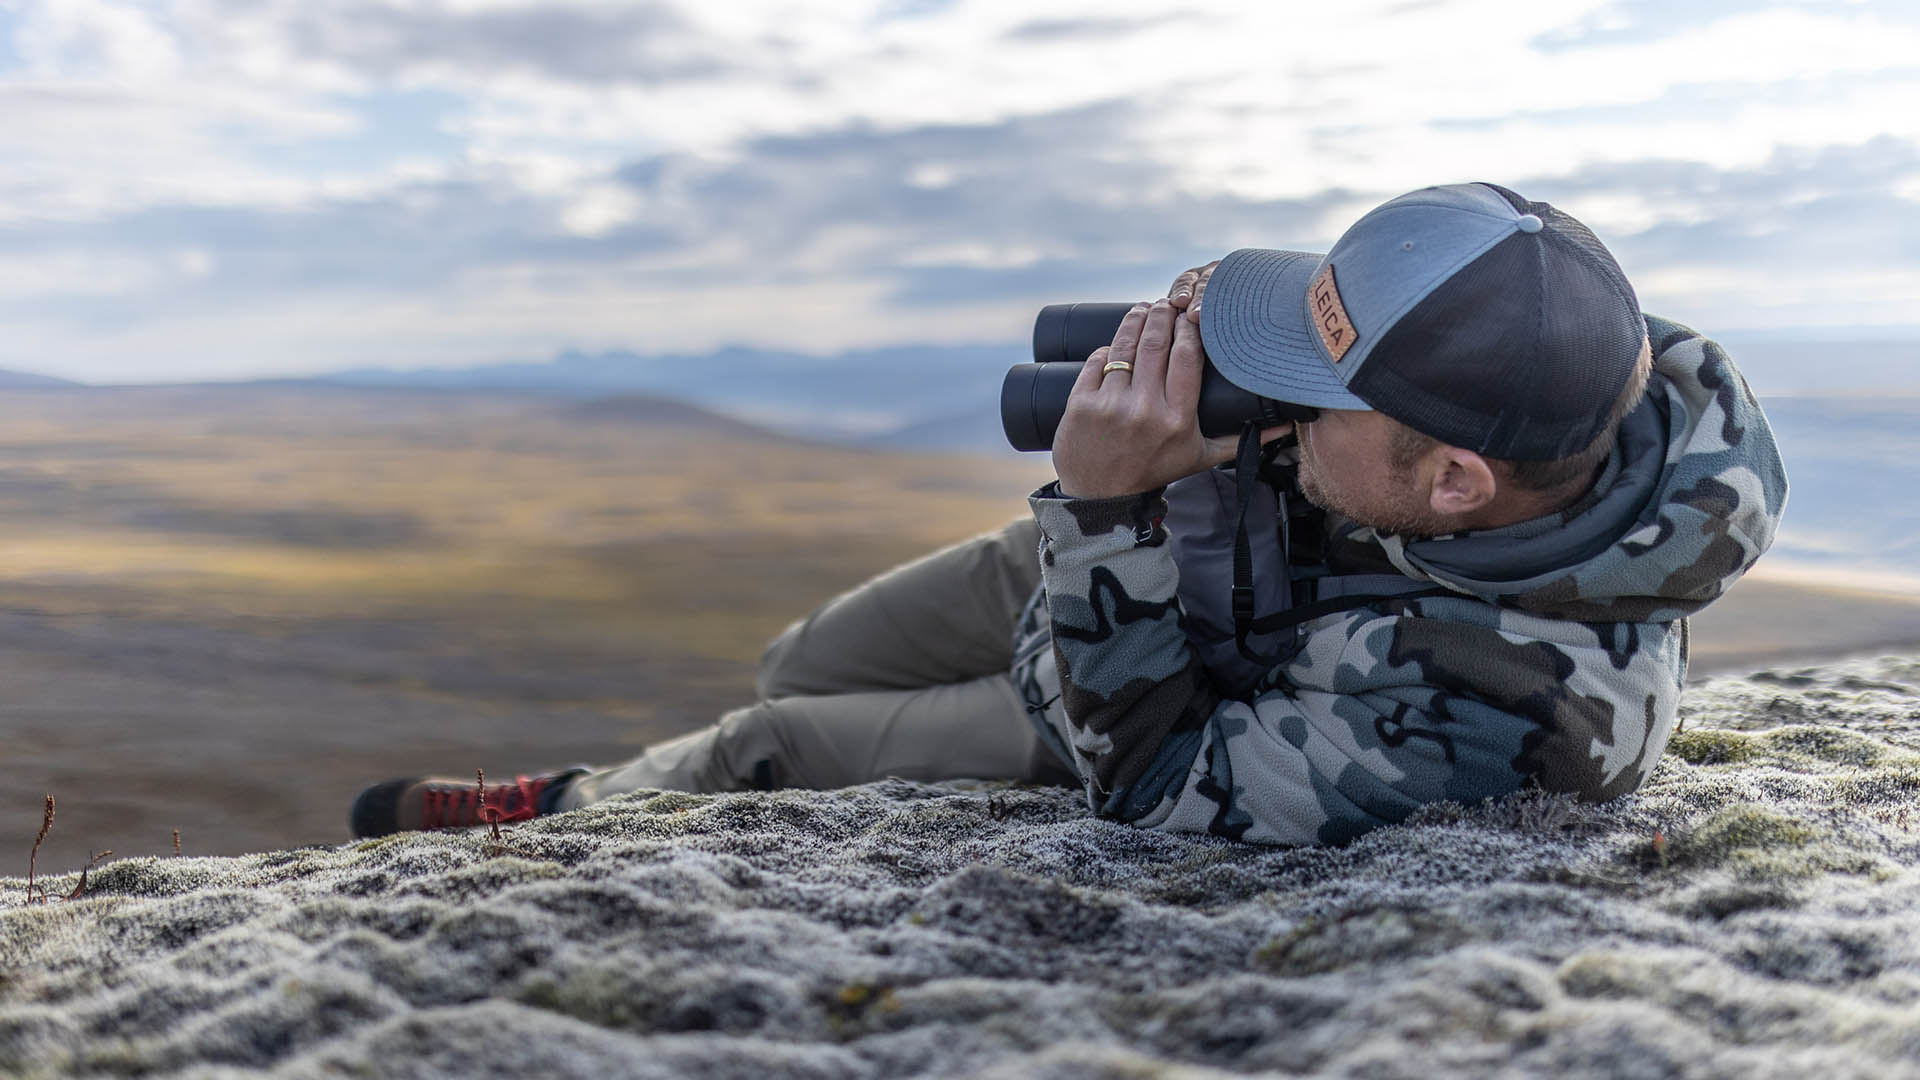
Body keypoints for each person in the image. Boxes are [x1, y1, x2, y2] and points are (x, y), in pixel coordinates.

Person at [351, 182, 1787, 845]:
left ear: (1454, 483)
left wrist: (1110, 518)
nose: (1281, 405)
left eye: (1311, 387)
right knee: (800, 658)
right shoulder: (1550, 372)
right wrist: (1214, 346)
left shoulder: (1502, 711)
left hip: (1133, 674)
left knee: (774, 740)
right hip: (1178, 549)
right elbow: (1384, 389)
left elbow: (1159, 790)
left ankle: (555, 814)